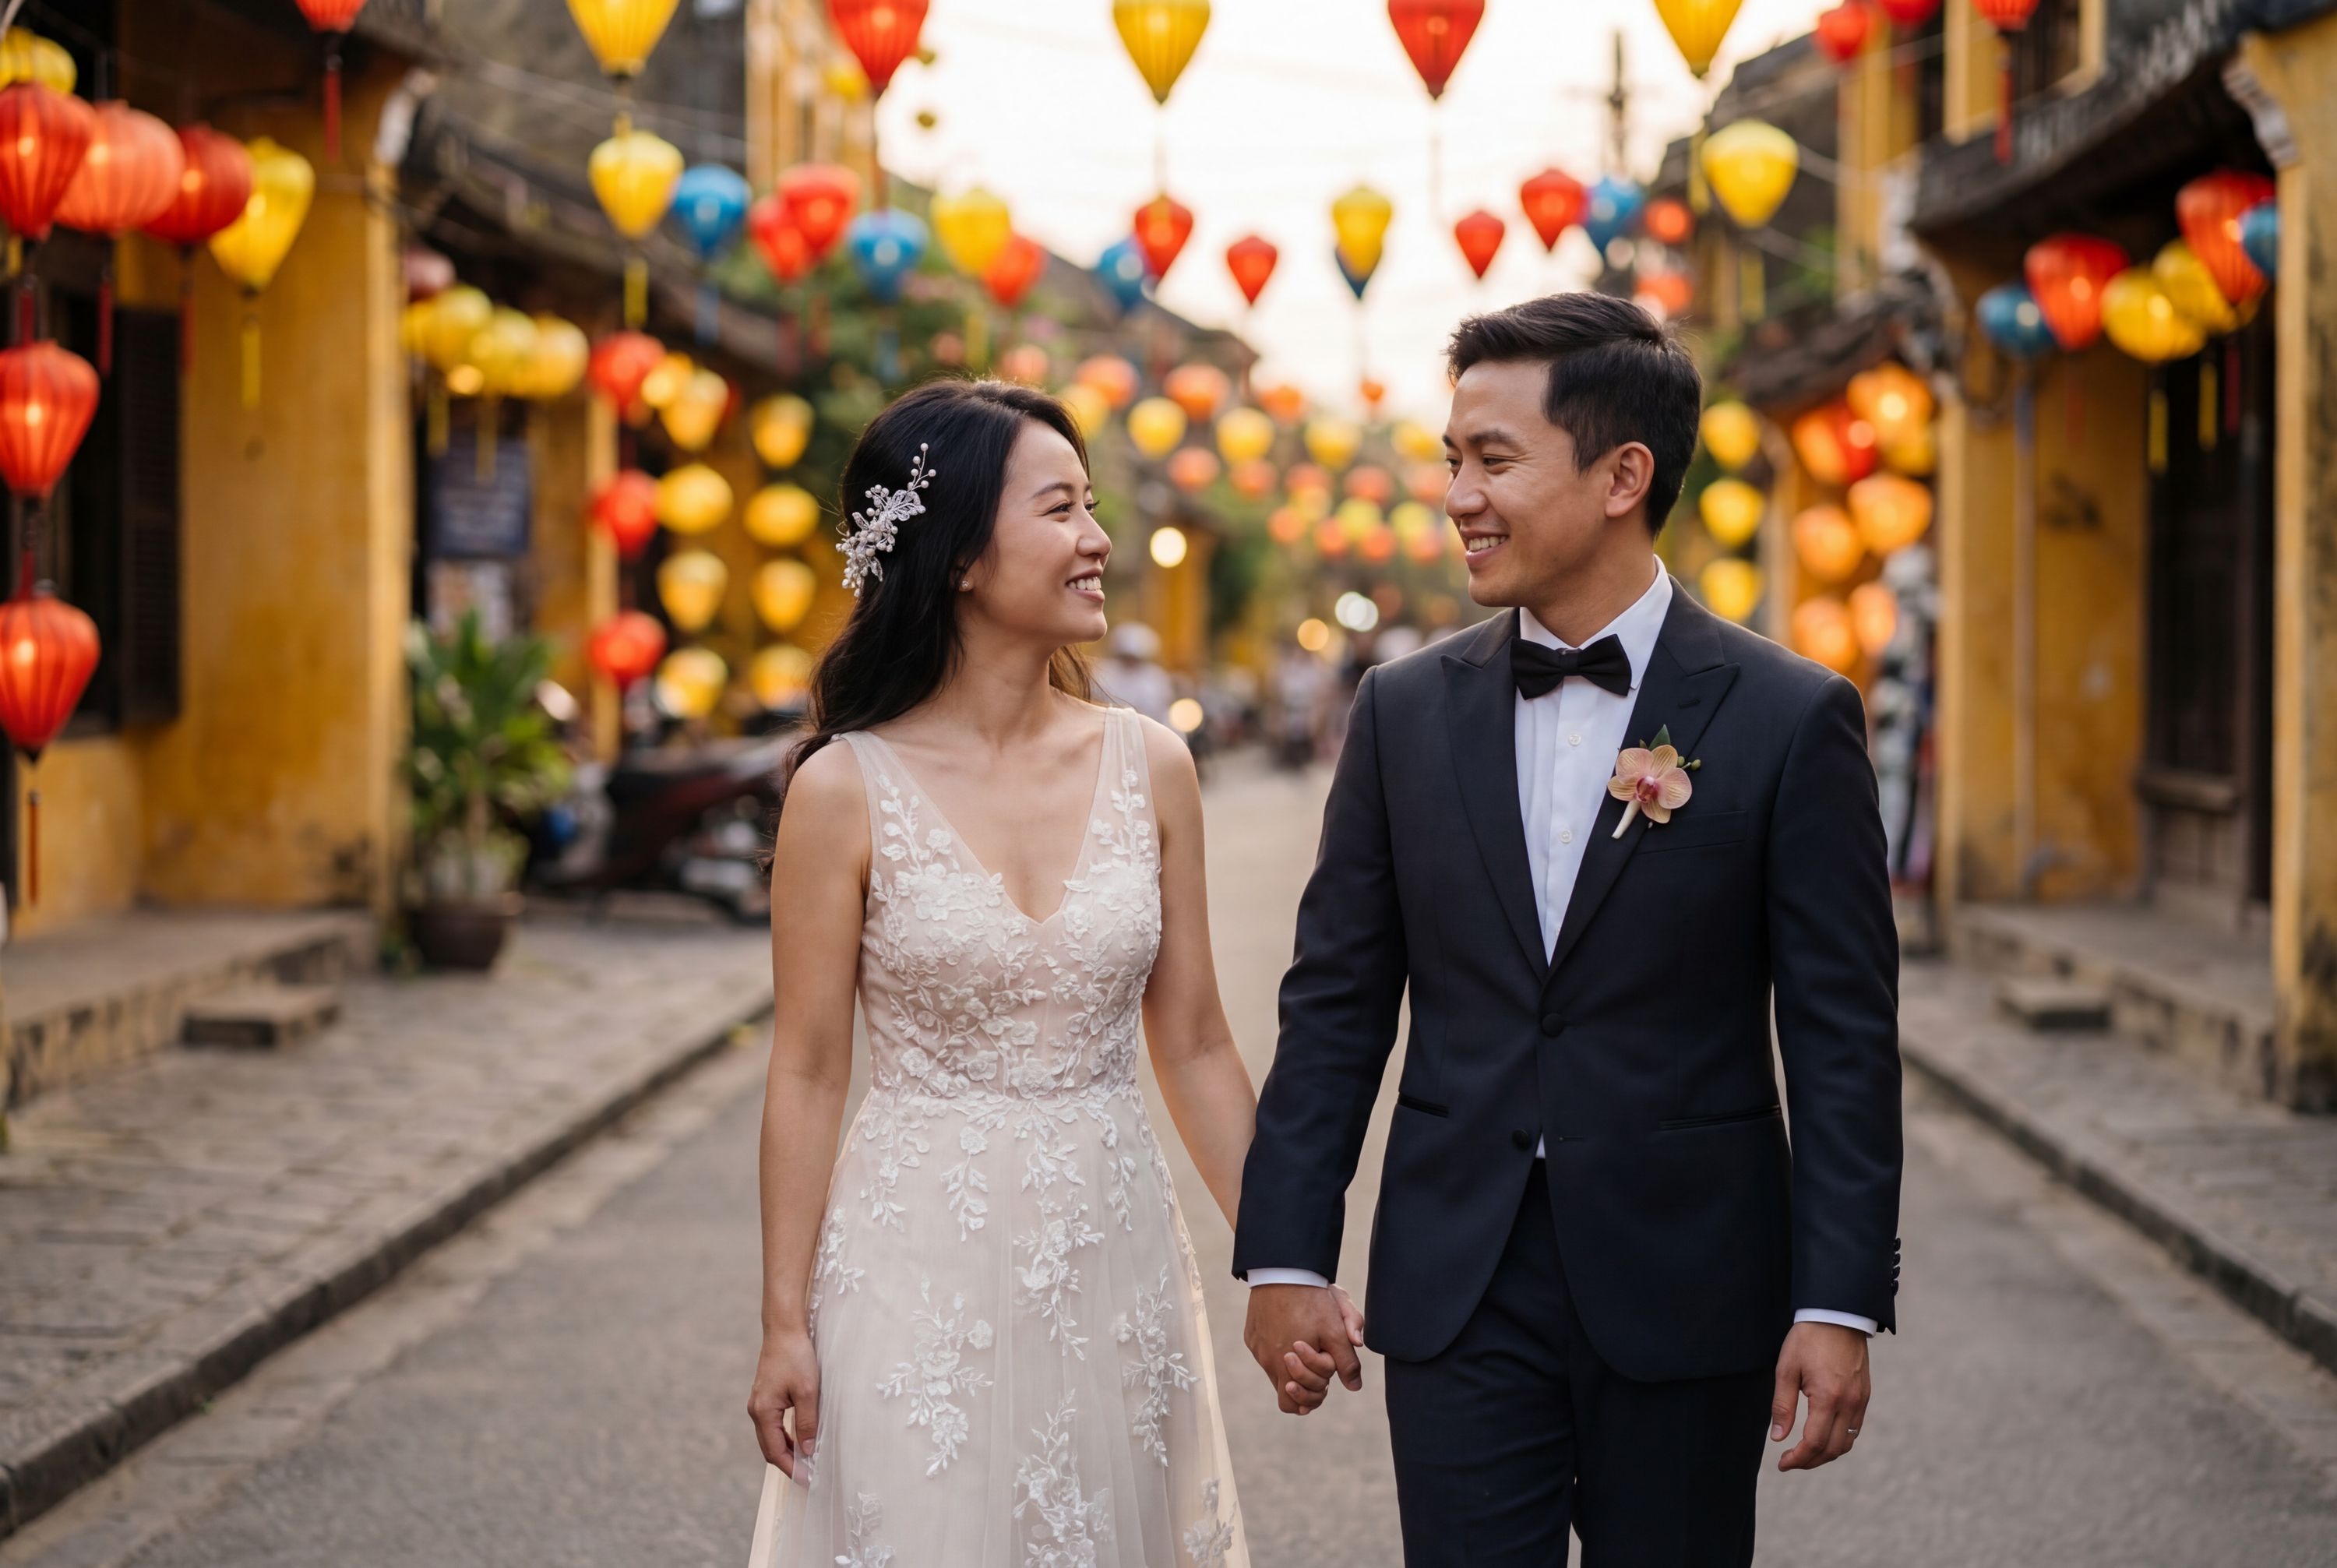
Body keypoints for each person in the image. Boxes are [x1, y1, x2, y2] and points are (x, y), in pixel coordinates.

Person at [1235, 294, 1904, 1565]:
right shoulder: (1401, 712)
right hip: (1459, 1281)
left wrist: (1838, 1298)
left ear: (1622, 476)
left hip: (1690, 1281)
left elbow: (1842, 1039)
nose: (1459, 497)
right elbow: (1335, 1005)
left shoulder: (1790, 716)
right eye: (1453, 460)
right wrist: (1283, 1252)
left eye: (1493, 460)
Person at [744, 379, 1357, 1566]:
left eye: (1093, 506)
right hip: (913, 1257)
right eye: (1061, 508)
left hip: (1111, 1254)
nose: (1098, 541)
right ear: (963, 558)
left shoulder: (1153, 764)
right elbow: (810, 1070)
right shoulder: (843, 789)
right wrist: (782, 1322)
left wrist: (1287, 1261)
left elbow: (1195, 1043)